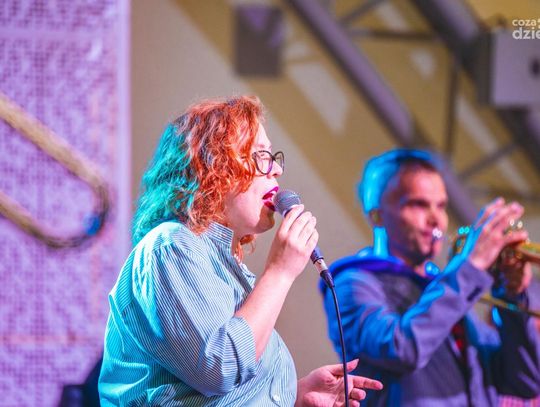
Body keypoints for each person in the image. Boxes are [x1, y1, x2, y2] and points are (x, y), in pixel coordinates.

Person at [98, 95, 382, 406]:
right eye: (259, 155)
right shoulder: (170, 246)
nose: (275, 169)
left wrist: (293, 396)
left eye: (272, 156)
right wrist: (280, 272)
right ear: (211, 166)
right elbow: (218, 367)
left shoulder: (223, 264)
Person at [322, 149, 540, 406]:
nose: (436, 219)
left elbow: (526, 380)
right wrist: (469, 268)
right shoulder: (351, 283)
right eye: (418, 204)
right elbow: (402, 349)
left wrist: (512, 296)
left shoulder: (443, 288)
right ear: (377, 215)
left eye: (441, 206)